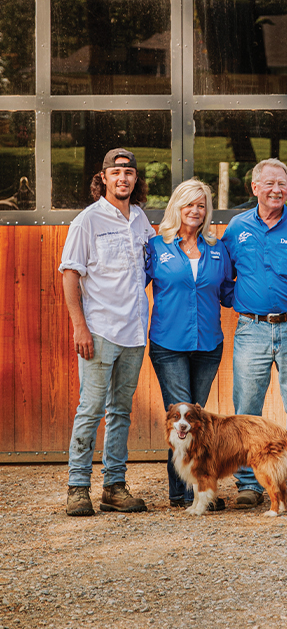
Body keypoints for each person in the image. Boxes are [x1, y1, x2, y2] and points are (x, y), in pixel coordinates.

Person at [222, 158, 287, 509]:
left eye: (282, 184)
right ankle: (248, 484)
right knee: (246, 410)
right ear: (254, 188)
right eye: (269, 184)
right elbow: (223, 277)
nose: (276, 190)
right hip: (251, 330)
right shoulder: (237, 228)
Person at [59, 148, 155, 516]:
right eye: (116, 172)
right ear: (103, 178)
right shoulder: (88, 221)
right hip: (99, 330)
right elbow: (70, 274)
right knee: (91, 408)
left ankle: (114, 486)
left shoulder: (141, 220)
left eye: (129, 172)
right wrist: (79, 326)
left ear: (135, 178)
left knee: (121, 411)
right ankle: (78, 487)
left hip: (134, 332)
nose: (123, 178)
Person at [145, 178, 234, 509]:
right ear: (176, 208)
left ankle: (192, 489)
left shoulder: (217, 248)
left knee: (196, 421)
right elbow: (133, 288)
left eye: (201, 205)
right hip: (169, 344)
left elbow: (227, 293)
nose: (195, 211)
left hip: (209, 344)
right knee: (180, 417)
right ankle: (184, 493)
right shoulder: (156, 247)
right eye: (189, 204)